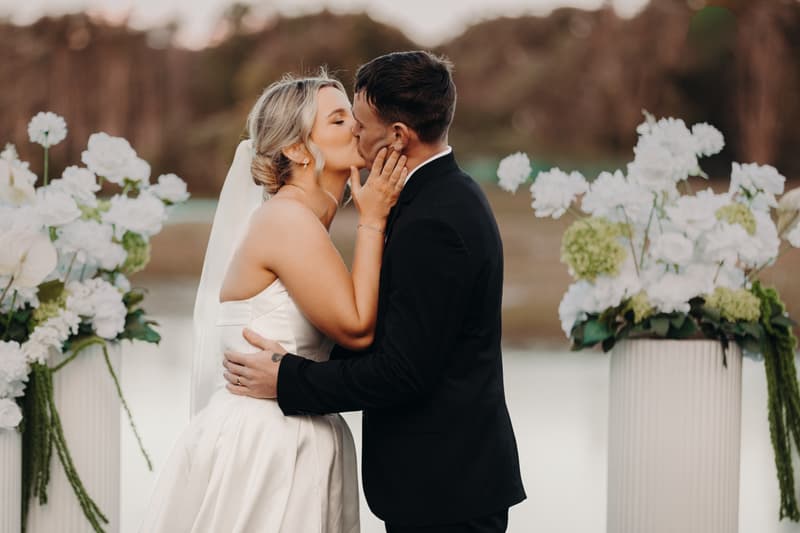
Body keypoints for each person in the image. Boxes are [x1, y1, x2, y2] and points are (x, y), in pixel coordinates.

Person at [223, 51, 526, 533]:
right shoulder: (435, 198)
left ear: (399, 136)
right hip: (431, 484)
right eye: (340, 120)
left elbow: (403, 369)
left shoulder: (435, 219)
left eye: (357, 122)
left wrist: (288, 381)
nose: (354, 134)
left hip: (445, 490)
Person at [138, 72, 408, 533]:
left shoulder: (300, 221)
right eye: (339, 119)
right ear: (298, 149)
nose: (357, 127)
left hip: (299, 432)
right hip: (267, 446)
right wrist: (374, 219)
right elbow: (359, 327)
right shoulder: (285, 220)